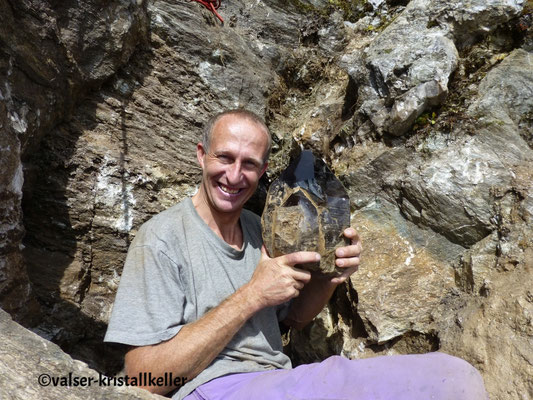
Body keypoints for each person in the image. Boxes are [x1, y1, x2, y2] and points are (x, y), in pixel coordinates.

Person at [104, 109, 489, 400]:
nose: (235, 176)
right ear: (201, 155)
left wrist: (329, 276)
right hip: (212, 389)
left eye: (250, 164)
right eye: (225, 157)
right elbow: (143, 379)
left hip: (275, 379)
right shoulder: (161, 240)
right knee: (452, 380)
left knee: (454, 377)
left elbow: (293, 321)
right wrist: (252, 295)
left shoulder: (260, 228)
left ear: (264, 171)